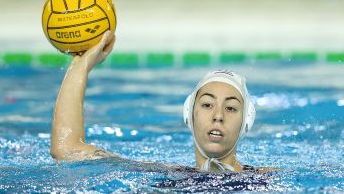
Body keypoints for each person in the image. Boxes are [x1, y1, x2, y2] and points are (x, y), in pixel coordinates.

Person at [50, 31, 273, 173]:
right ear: (189, 115)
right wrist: (82, 64)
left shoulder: (266, 181)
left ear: (246, 123)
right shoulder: (169, 175)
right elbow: (66, 150)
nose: (218, 115)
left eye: (231, 108)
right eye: (207, 104)